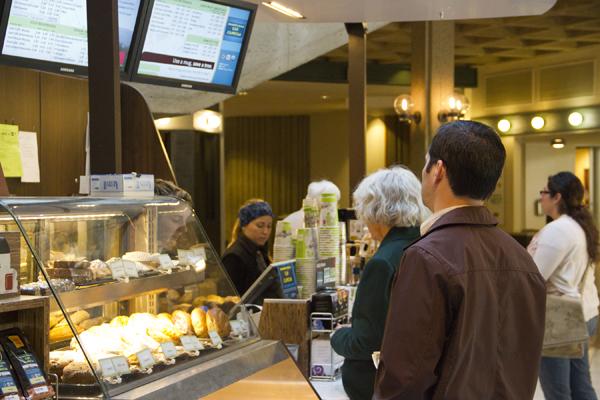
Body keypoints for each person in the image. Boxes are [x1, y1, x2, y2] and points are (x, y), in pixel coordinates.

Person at [373, 120, 547, 399]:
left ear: (438, 170)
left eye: (426, 163)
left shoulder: (426, 257)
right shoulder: (522, 259)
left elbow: (405, 375)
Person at [330, 166, 425, 400]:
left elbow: (367, 341)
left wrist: (338, 336)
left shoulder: (382, 263)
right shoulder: (424, 246)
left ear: (374, 210)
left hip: (377, 385)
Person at [528, 172, 599, 400]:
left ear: (557, 197)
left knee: (558, 390)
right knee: (581, 386)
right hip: (582, 313)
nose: (541, 197)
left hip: (559, 318)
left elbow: (535, 277)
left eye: (544, 192)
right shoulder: (578, 226)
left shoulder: (558, 230)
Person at [222, 199, 281, 304]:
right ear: (244, 226)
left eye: (269, 226)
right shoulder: (234, 257)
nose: (265, 232)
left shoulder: (261, 251)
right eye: (260, 226)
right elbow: (229, 301)